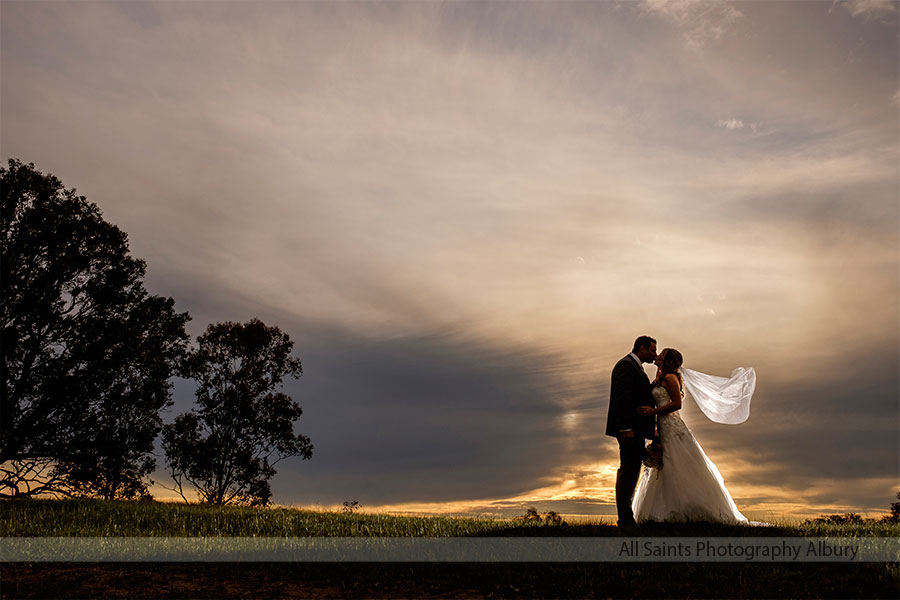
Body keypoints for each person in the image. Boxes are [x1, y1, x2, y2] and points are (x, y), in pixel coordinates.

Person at [631, 348, 749, 524]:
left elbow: (677, 404)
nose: (658, 356)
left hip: (673, 427)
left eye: (661, 354)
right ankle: (661, 512)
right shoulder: (660, 378)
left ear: (668, 359)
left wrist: (653, 411)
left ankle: (689, 509)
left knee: (676, 464)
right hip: (663, 427)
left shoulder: (671, 378)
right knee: (664, 466)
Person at [605, 335, 657, 528]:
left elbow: (640, 395)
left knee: (632, 469)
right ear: (641, 348)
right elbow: (622, 399)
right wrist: (626, 428)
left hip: (636, 429)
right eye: (652, 350)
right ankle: (625, 519)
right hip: (629, 430)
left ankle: (627, 517)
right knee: (628, 471)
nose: (655, 354)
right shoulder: (626, 366)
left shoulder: (635, 367)